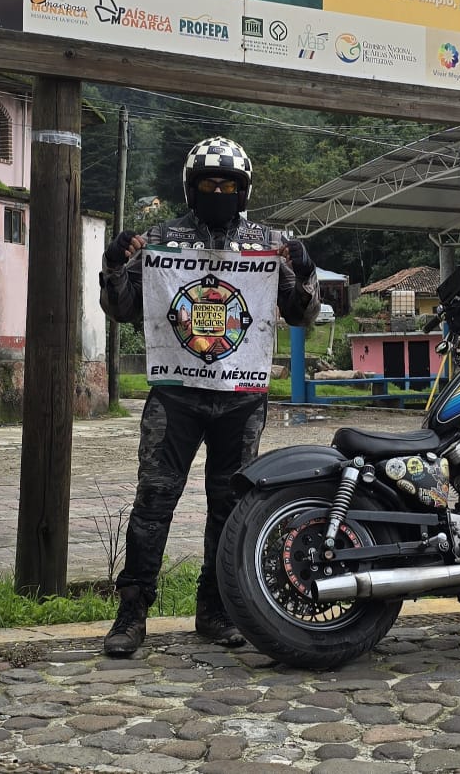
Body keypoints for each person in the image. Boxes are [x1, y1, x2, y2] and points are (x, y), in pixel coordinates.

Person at [99, 135, 320, 657]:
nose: (218, 192)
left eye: (228, 185)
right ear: (190, 188)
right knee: (154, 501)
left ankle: (215, 608)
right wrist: (113, 267)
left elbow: (301, 314)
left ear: (244, 191)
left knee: (231, 505)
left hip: (240, 398)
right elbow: (124, 309)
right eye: (208, 184)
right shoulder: (161, 239)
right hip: (176, 394)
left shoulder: (270, 243)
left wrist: (306, 269)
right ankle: (132, 611)